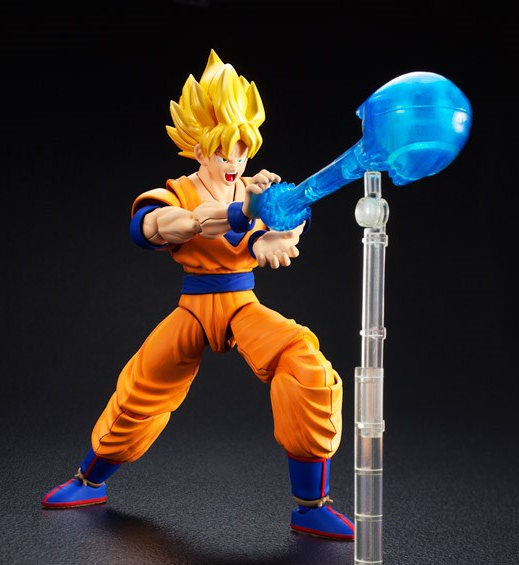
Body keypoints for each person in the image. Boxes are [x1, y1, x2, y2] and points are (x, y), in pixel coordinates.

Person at [42, 49, 354, 540]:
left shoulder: (254, 190)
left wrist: (280, 232)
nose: (234, 162)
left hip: (241, 306)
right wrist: (240, 214)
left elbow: (280, 227)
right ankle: (88, 480)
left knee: (307, 367)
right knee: (142, 388)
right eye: (224, 152)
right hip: (193, 308)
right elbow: (164, 226)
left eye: (242, 151)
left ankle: (312, 506)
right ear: (198, 147)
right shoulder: (179, 192)